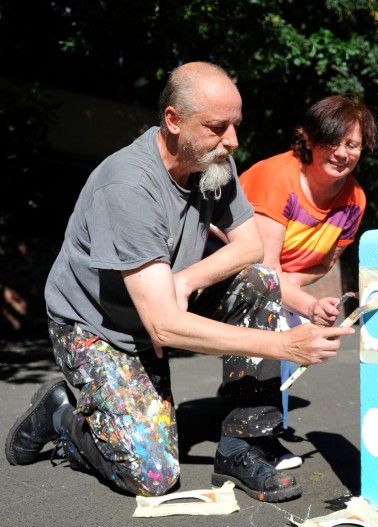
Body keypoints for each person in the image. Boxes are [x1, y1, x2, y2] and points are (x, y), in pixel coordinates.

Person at [4, 62, 352, 503]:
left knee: (259, 281)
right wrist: (285, 346)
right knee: (152, 476)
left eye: (236, 126)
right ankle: (61, 417)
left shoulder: (212, 161)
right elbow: (165, 326)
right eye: (216, 127)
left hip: (155, 306)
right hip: (96, 328)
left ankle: (242, 446)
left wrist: (185, 280)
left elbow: (249, 248)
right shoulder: (128, 186)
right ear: (173, 121)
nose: (232, 141)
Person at [230, 96, 378, 467]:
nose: (341, 153)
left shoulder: (354, 200)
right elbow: (262, 272)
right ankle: (256, 438)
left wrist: (298, 294)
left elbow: (323, 262)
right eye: (331, 140)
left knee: (296, 339)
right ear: (308, 139)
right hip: (225, 277)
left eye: (353, 144)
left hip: (275, 283)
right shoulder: (277, 177)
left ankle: (256, 420)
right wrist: (308, 305)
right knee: (280, 327)